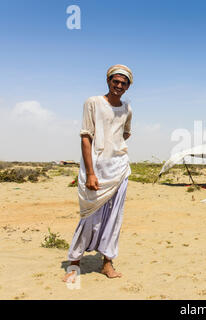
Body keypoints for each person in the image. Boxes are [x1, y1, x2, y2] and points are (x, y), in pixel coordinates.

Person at [63, 64, 133, 282]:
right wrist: (91, 172)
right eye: (116, 81)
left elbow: (125, 134)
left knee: (114, 219)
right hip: (96, 170)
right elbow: (86, 137)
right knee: (89, 217)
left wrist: (113, 148)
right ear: (108, 81)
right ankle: (74, 264)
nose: (119, 86)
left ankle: (107, 263)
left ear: (128, 86)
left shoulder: (127, 109)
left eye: (123, 83)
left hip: (119, 170)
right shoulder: (93, 103)